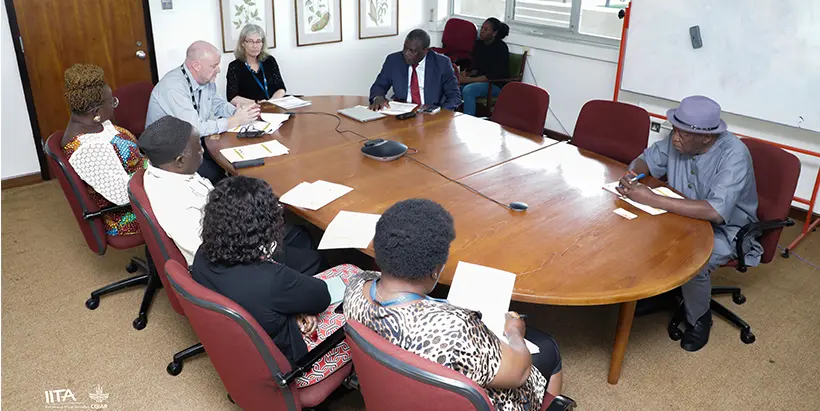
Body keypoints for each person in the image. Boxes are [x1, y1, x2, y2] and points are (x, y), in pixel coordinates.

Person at [344, 199, 563, 410]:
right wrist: (515, 333)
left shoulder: (354, 286)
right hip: (486, 400)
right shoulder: (455, 329)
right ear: (436, 270)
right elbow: (519, 372)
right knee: (547, 347)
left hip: (394, 394)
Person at [618, 95, 762, 352]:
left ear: (707, 137)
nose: (675, 138)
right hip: (682, 216)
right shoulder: (681, 140)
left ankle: (699, 318)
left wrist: (652, 198)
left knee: (693, 259)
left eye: (682, 134)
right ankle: (661, 292)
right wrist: (634, 174)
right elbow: (647, 160)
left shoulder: (734, 155)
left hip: (727, 230)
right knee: (642, 231)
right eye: (674, 129)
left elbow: (715, 212)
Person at [192, 175, 355, 387]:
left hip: (244, 348)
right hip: (293, 364)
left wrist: (292, 307)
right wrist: (294, 304)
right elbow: (321, 296)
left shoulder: (201, 255)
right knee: (354, 277)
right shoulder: (272, 279)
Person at [138, 116, 322, 275]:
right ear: (180, 161)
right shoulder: (177, 205)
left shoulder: (167, 171)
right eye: (198, 148)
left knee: (300, 233)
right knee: (316, 260)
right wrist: (261, 233)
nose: (203, 150)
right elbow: (217, 254)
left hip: (229, 229)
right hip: (237, 258)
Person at [145, 40, 260, 183]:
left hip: (192, 141)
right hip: (170, 151)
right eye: (214, 66)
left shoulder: (206, 80)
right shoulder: (173, 87)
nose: (218, 70)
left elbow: (218, 105)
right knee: (216, 175)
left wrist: (242, 112)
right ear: (196, 66)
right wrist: (234, 121)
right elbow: (195, 128)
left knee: (238, 159)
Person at [61, 63, 145, 236]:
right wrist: (161, 179)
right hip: (127, 213)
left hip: (143, 182)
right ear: (96, 112)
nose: (114, 105)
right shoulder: (87, 151)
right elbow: (123, 195)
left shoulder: (96, 123)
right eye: (111, 102)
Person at [369, 29, 461, 111]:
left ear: (425, 51)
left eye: (412, 51)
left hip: (430, 114)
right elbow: (379, 85)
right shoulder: (393, 60)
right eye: (405, 47)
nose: (406, 53)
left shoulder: (442, 63)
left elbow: (454, 96)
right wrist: (378, 97)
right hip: (402, 114)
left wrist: (440, 113)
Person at [458, 18, 510, 116]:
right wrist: (466, 73)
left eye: (486, 30)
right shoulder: (479, 44)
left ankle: (468, 121)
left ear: (494, 33)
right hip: (478, 80)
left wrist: (466, 80)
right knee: (453, 86)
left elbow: (492, 76)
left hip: (494, 85)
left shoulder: (500, 48)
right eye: (482, 28)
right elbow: (475, 66)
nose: (482, 31)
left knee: (468, 90)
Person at [226, 24, 286, 104]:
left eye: (258, 41)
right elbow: (232, 97)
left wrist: (270, 103)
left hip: (273, 107)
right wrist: (257, 103)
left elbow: (281, 88)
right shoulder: (234, 66)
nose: (255, 46)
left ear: (262, 43)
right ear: (243, 43)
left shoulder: (269, 61)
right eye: (250, 41)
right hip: (249, 110)